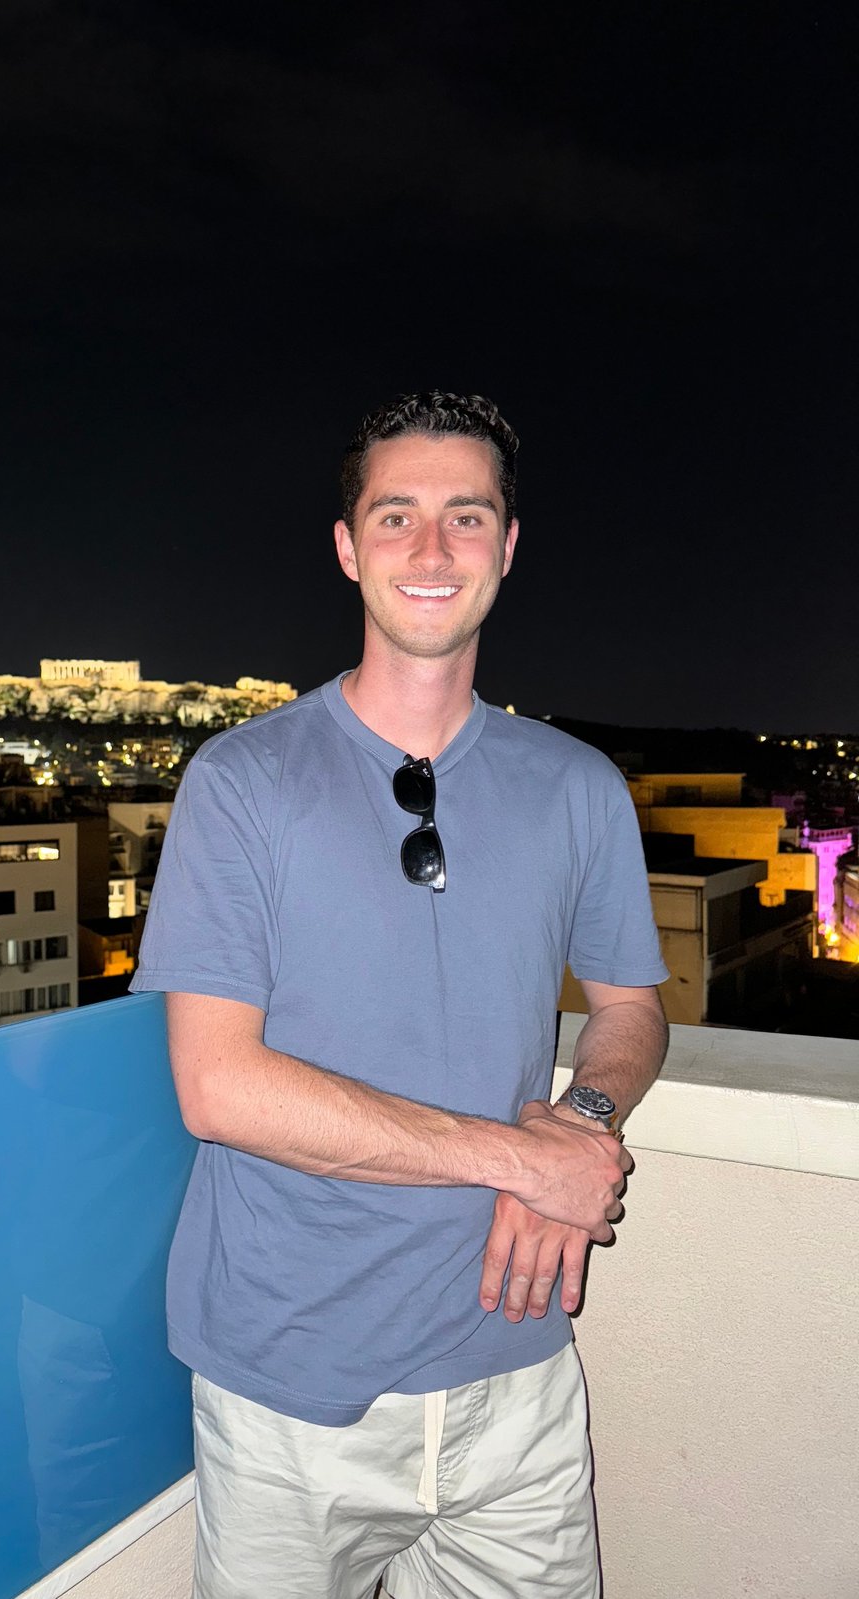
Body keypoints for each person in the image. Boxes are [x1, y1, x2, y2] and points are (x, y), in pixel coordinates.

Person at [130, 390, 669, 1599]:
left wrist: (580, 1123)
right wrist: (517, 1162)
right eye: (396, 516)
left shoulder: (578, 787)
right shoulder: (244, 781)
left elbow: (631, 1009)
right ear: (346, 547)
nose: (432, 551)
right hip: (286, 1390)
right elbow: (219, 1089)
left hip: (514, 1369)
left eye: (466, 517)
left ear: (509, 548)